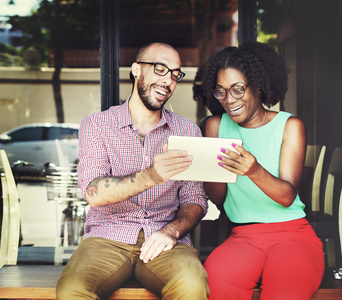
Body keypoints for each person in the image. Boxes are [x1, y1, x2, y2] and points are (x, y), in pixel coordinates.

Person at [56, 42, 209, 300]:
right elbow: (93, 192)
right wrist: (151, 175)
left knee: (192, 284)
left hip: (164, 239)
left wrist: (171, 231)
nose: (168, 80)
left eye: (175, 74)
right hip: (107, 237)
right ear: (136, 70)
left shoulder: (188, 131)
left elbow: (195, 199)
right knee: (72, 289)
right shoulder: (96, 125)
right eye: (160, 69)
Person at [199, 42, 325, 300]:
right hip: (242, 237)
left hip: (293, 235)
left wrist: (253, 169)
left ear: (258, 85)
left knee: (285, 292)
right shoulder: (214, 126)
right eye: (221, 92)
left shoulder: (289, 126)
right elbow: (218, 197)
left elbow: (286, 196)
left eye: (238, 89)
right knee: (214, 283)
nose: (229, 100)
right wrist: (205, 165)